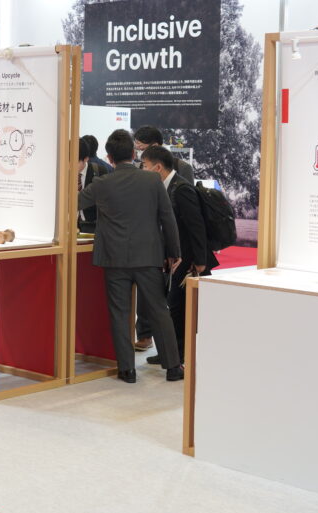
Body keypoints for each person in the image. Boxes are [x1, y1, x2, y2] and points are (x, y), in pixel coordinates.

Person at [77, 129, 184, 383]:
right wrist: (174, 252)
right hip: (148, 256)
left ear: (109, 158)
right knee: (159, 310)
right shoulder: (152, 181)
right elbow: (167, 218)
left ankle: (127, 370)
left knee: (119, 313)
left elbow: (74, 203)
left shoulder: (101, 184)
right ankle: (173, 367)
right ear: (134, 153)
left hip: (114, 258)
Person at [140, 146, 218, 363]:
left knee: (179, 307)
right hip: (177, 257)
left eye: (145, 165)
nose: (142, 169)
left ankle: (178, 356)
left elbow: (197, 227)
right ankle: (172, 353)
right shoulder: (167, 186)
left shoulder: (181, 188)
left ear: (157, 167)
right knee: (175, 306)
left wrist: (200, 262)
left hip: (190, 260)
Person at [131, 125, 195, 350]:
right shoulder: (140, 169)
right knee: (146, 291)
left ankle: (172, 348)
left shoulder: (182, 169)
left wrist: (175, 247)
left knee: (169, 296)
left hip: (172, 242)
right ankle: (146, 335)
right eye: (137, 149)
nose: (139, 154)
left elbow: (185, 210)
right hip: (149, 240)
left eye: (142, 148)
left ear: (156, 146)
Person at [77, 138, 107, 233]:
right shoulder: (62, 174)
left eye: (75, 162)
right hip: (69, 227)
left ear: (86, 159)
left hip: (92, 226)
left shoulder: (99, 171)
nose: (70, 166)